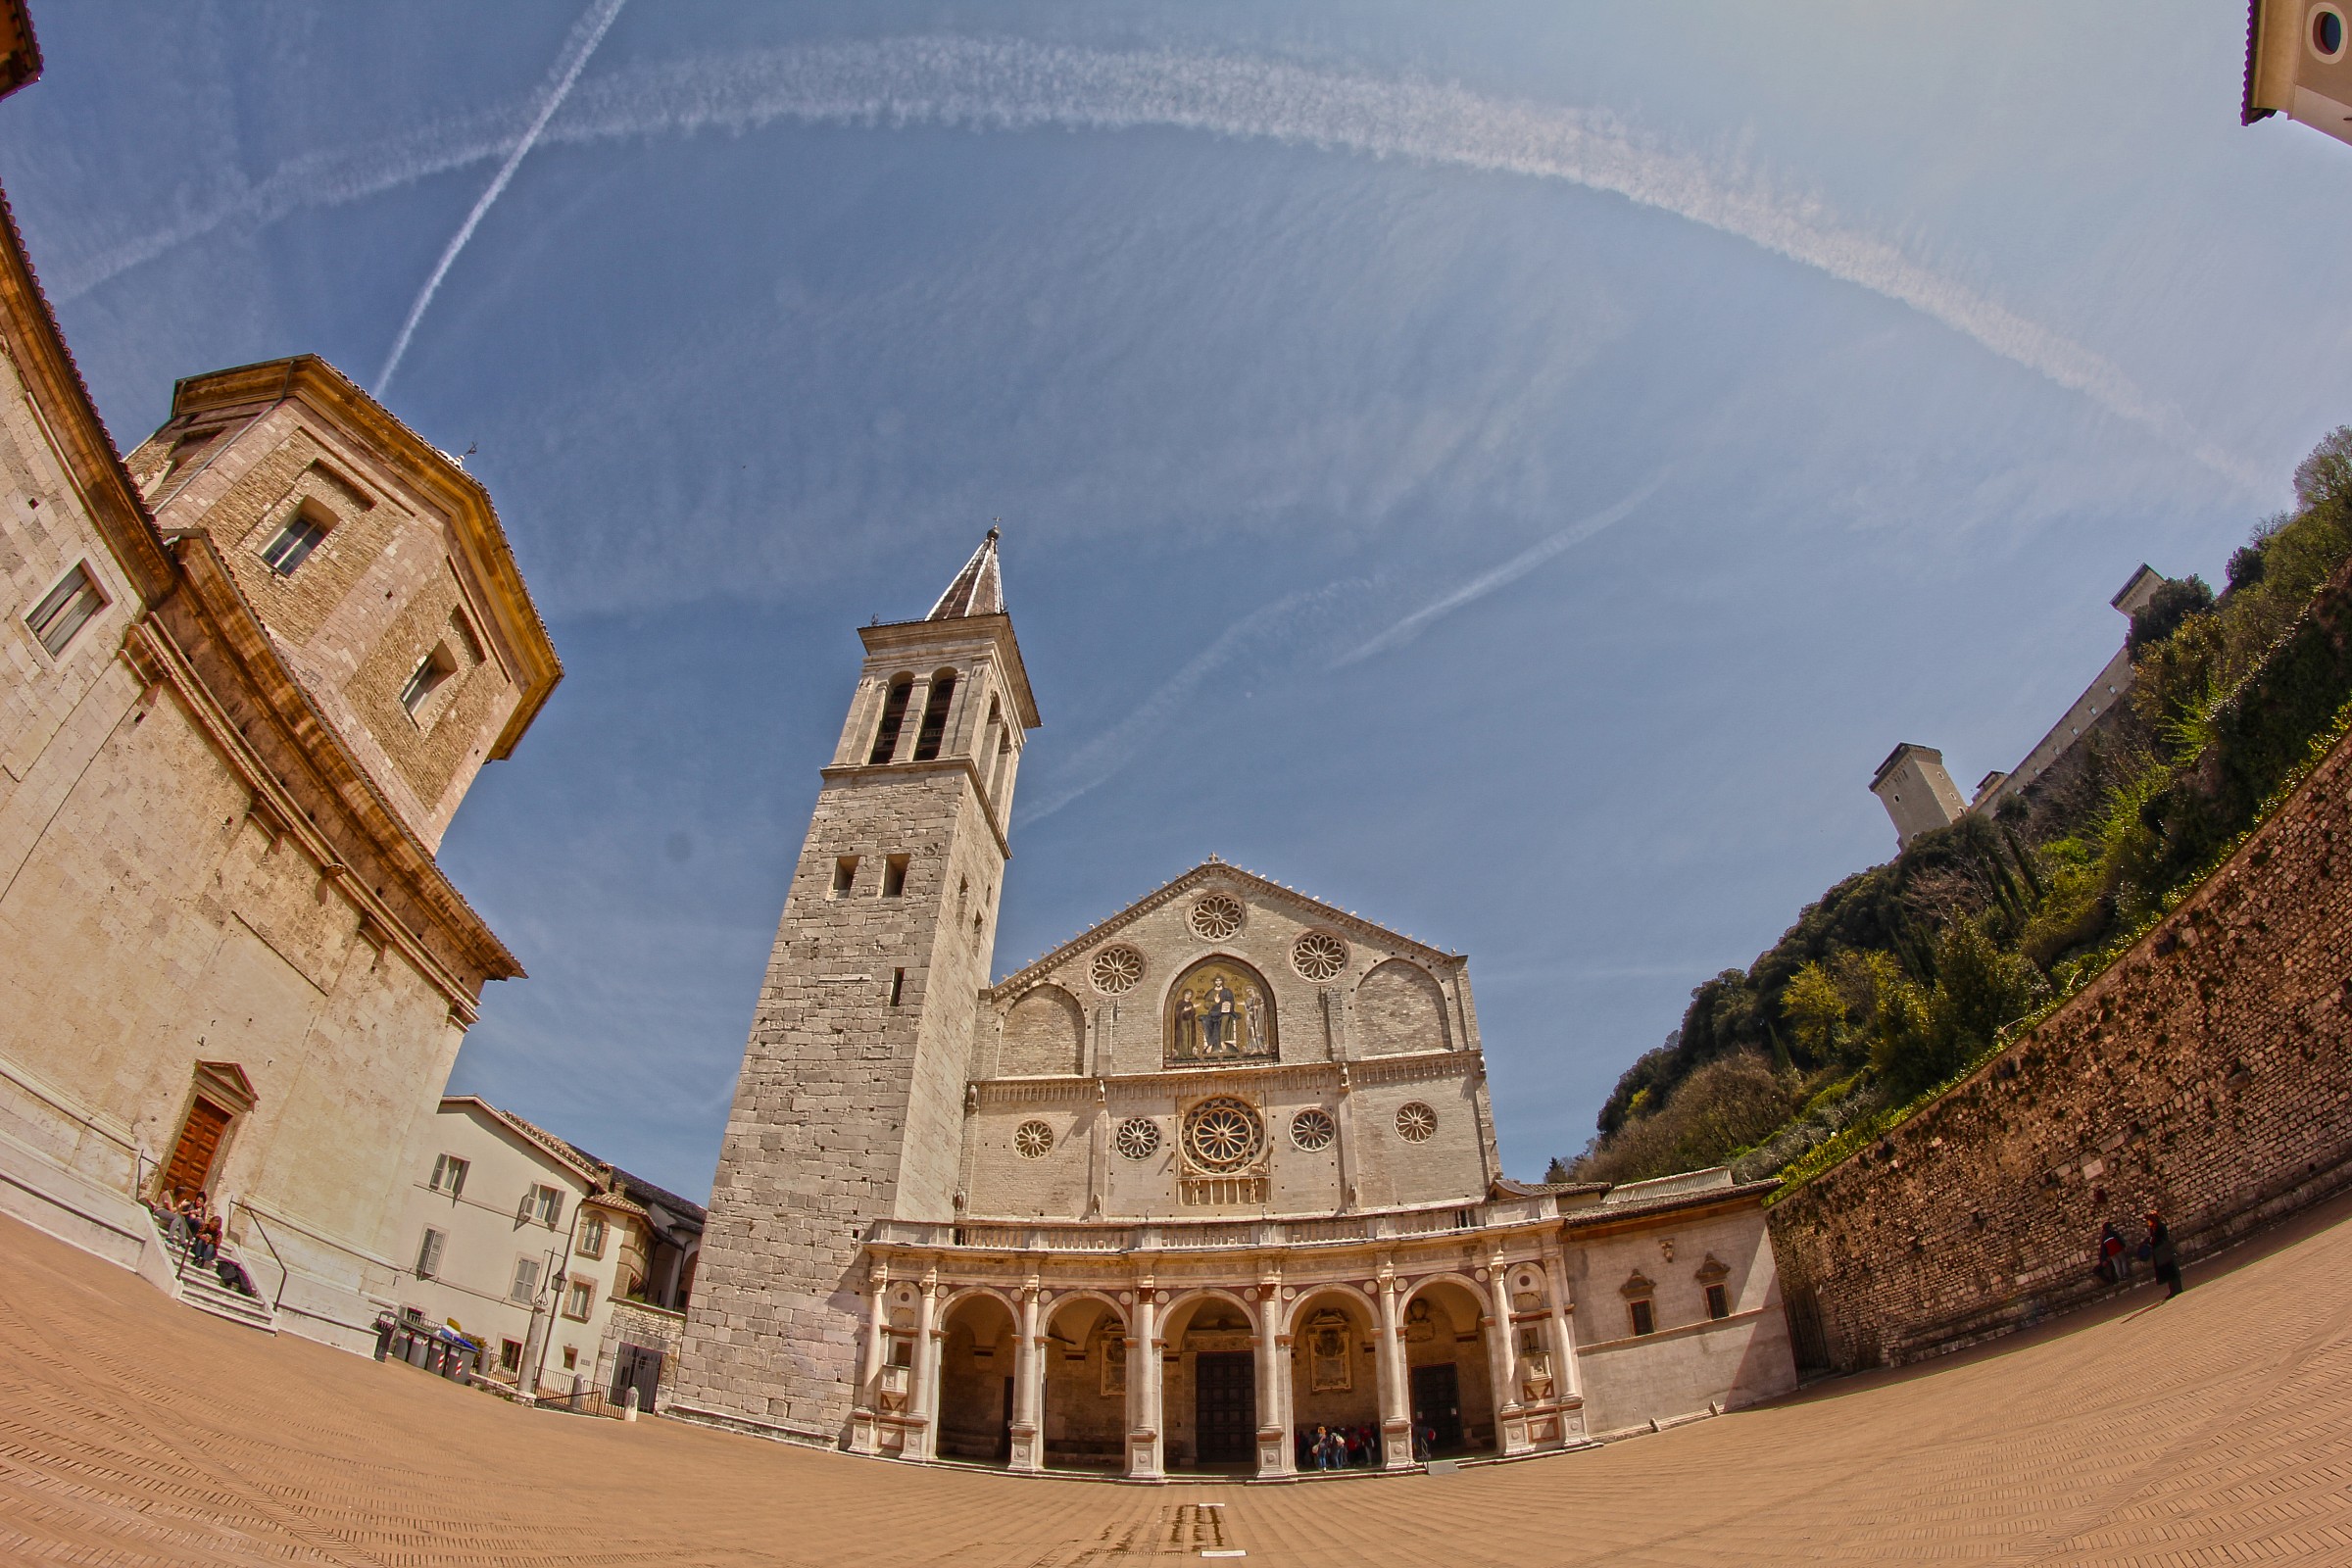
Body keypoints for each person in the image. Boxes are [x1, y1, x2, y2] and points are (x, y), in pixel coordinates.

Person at [2147, 1212, 2182, 1298]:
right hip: (2159, 1252)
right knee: (2167, 1271)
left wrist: (2154, 1241)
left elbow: (2163, 1238)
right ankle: (2172, 1289)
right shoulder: (2152, 1229)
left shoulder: (2160, 1227)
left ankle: (2178, 1288)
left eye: (2149, 1220)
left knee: (2172, 1269)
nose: (2148, 1222)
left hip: (2164, 1250)